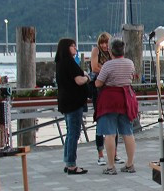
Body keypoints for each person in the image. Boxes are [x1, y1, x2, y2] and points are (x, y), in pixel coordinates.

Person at [95, 37, 137, 174]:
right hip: (126, 98)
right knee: (128, 132)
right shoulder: (130, 63)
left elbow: (98, 83)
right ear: (123, 50)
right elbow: (132, 77)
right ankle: (130, 163)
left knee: (110, 134)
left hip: (110, 99)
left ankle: (111, 166)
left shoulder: (108, 65)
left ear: (111, 51)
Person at [55, 38, 89, 174]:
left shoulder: (59, 62)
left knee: (70, 132)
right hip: (73, 102)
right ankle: (71, 164)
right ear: (66, 48)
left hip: (65, 101)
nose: (75, 49)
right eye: (72, 46)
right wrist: (87, 77)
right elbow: (79, 80)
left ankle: (67, 160)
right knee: (74, 132)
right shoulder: (69, 62)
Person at [89, 32, 116, 166]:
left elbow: (116, 66)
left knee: (113, 121)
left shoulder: (112, 53)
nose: (104, 45)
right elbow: (94, 67)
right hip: (98, 89)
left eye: (106, 43)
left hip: (110, 88)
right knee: (100, 120)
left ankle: (114, 153)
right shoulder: (96, 51)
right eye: (102, 43)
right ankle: (100, 154)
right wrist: (108, 70)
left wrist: (106, 69)